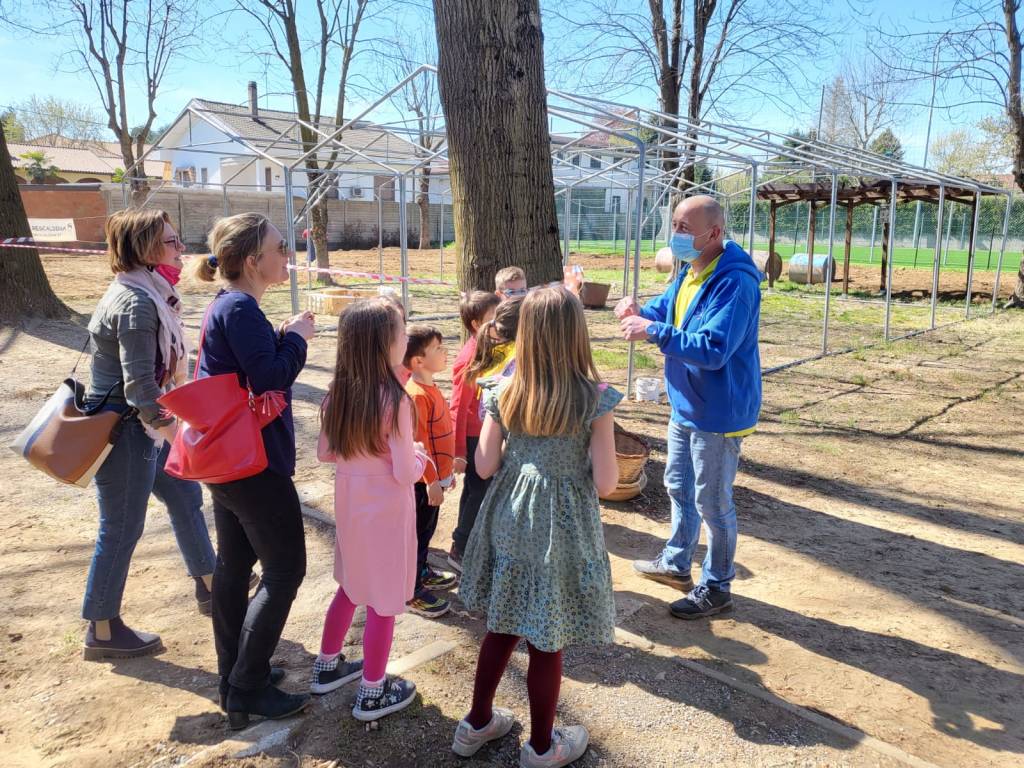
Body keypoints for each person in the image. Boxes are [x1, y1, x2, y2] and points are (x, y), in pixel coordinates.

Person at [453, 286, 621, 768]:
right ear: (576, 334)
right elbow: (608, 482)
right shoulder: (596, 399)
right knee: (547, 636)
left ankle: (476, 723)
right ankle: (543, 749)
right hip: (561, 528)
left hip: (510, 516)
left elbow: (483, 466)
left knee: (502, 623)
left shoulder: (502, 388)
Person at [189, 212, 316, 728]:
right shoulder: (240, 307)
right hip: (251, 465)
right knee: (286, 570)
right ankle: (246, 685)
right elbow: (269, 378)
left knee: (235, 569)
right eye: (280, 248)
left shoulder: (231, 305)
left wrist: (279, 336)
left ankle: (237, 675)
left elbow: (254, 367)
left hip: (230, 462)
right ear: (251, 260)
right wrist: (299, 338)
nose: (287, 255)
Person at [616, 195, 762, 620]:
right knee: (678, 486)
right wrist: (641, 311)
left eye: (683, 227)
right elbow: (668, 309)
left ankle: (717, 586)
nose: (675, 235)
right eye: (674, 225)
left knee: (713, 502)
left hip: (718, 413)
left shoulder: (735, 283)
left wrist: (654, 330)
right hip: (685, 404)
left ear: (714, 233)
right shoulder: (693, 269)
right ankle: (678, 561)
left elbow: (714, 350)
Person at [81, 208, 218, 661]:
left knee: (183, 498)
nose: (181, 249)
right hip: (128, 429)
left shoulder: (148, 293)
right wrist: (172, 426)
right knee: (121, 526)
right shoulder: (137, 301)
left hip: (144, 426)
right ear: (144, 249)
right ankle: (102, 628)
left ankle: (210, 584)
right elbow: (139, 383)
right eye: (171, 242)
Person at [312, 298, 426, 721]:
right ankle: (373, 691)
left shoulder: (337, 393)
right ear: (384, 345)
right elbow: (403, 472)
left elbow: (325, 452)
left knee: (351, 586)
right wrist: (419, 456)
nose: (406, 337)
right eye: (401, 331)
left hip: (351, 506)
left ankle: (326, 665)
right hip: (387, 514)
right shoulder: (395, 399)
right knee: (384, 600)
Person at [403, 325, 457, 618]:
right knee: (417, 534)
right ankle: (410, 590)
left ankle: (421, 570)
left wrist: (451, 467)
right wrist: (431, 481)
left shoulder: (432, 388)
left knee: (427, 530)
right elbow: (418, 445)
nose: (444, 351)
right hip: (422, 484)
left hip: (435, 480)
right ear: (417, 361)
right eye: (437, 348)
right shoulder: (415, 396)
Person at [447, 291, 502, 573]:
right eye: (493, 320)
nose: (499, 325)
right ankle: (461, 546)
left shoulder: (492, 348)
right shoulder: (469, 358)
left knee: (477, 488)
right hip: (472, 437)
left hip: (485, 433)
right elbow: (457, 407)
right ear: (475, 325)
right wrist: (457, 452)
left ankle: (467, 540)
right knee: (478, 489)